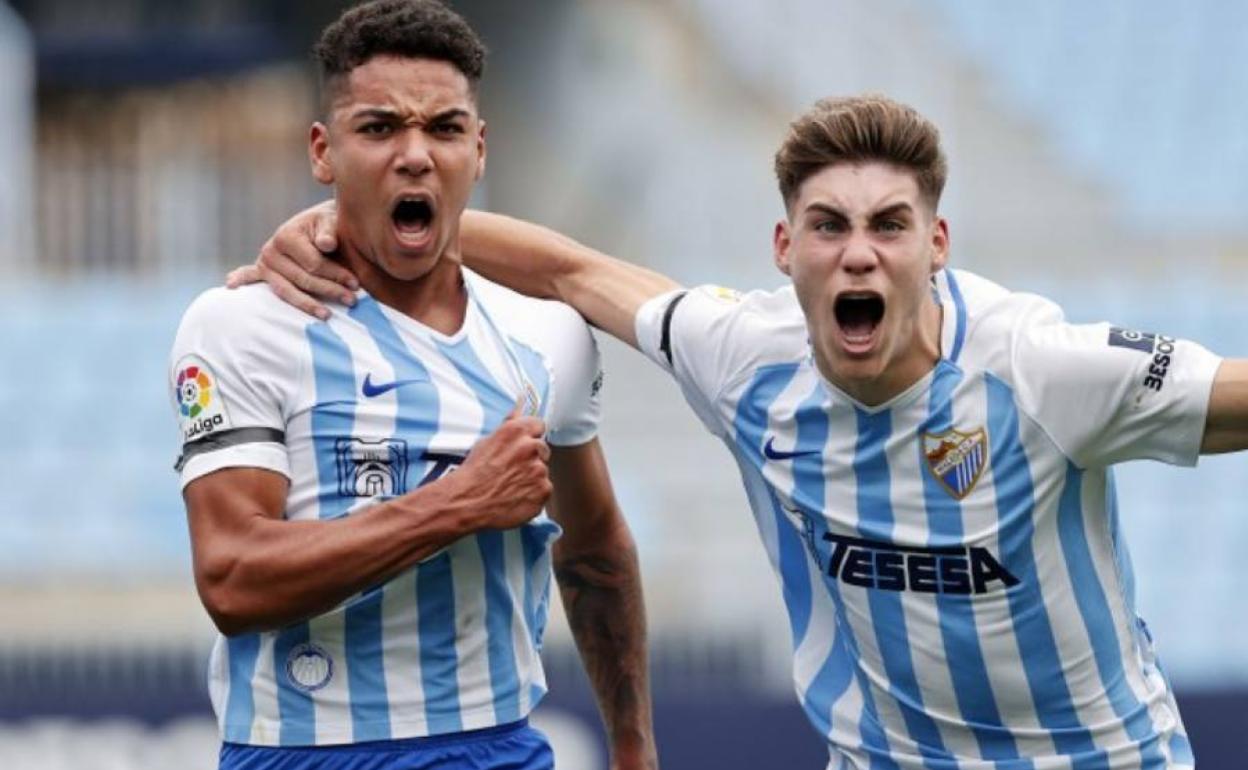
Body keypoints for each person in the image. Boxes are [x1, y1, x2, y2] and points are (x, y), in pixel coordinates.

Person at [242, 93, 1248, 769]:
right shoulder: (742, 352)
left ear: (935, 247)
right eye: (829, 226)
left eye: (889, 226)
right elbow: (566, 270)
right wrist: (346, 224)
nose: (859, 255)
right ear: (786, 249)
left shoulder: (1046, 371)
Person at [171, 2, 657, 769]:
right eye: (379, 128)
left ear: (479, 148)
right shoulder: (242, 325)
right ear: (323, 152)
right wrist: (457, 504)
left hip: (497, 746)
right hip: (303, 751)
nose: (415, 154)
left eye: (443, 128)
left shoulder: (546, 333)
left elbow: (594, 554)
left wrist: (633, 748)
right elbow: (232, 579)